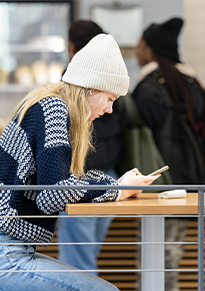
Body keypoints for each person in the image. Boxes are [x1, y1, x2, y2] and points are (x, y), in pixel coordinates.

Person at [0, 33, 159, 291]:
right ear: (90, 89)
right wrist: (117, 188)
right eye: (110, 99)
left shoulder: (50, 104)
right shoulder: (54, 109)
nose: (110, 109)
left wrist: (117, 185)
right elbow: (54, 193)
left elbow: (61, 184)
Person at [132, 18, 205, 291]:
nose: (135, 51)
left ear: (151, 50)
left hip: (159, 184)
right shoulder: (191, 84)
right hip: (190, 183)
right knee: (169, 262)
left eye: (140, 45)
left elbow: (139, 137)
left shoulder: (149, 88)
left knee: (154, 265)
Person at [57, 20, 122, 276]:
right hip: (104, 176)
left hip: (85, 178)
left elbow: (55, 189)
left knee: (79, 262)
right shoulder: (69, 95)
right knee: (85, 258)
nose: (108, 109)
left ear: (72, 47)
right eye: (109, 101)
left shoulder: (73, 85)